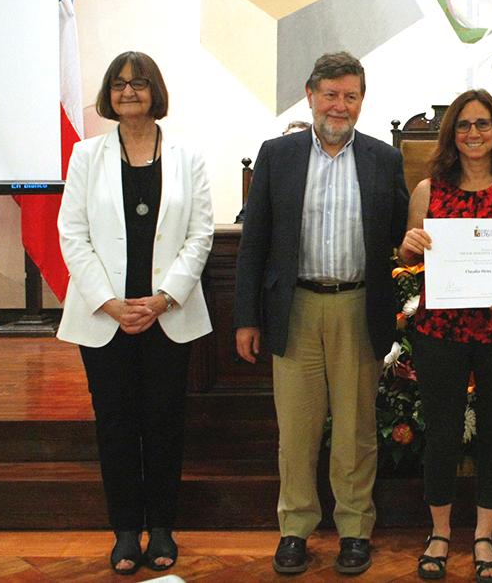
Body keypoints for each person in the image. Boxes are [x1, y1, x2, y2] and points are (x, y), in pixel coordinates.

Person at [234, 51, 409, 576]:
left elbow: (402, 241)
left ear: (361, 101)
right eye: (330, 94)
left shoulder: (384, 159)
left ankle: (355, 529)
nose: (340, 105)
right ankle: (295, 528)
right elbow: (255, 242)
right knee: (297, 429)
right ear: (310, 96)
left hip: (359, 306)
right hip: (296, 308)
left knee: (356, 429)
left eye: (350, 96)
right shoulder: (278, 155)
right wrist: (246, 316)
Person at [57, 51, 214, 575]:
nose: (129, 92)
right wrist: (109, 302)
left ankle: (164, 531)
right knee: (117, 426)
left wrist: (165, 296)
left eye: (139, 83)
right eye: (120, 84)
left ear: (155, 91)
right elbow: (72, 235)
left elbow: (200, 235)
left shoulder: (188, 157)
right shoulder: (86, 156)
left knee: (166, 424)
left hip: (167, 316)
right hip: (106, 318)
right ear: (109, 94)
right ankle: (126, 533)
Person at [399, 89, 492, 583]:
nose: (474, 133)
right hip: (441, 330)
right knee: (441, 432)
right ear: (451, 134)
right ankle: (439, 533)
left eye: (483, 124)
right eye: (464, 125)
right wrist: (408, 245)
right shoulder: (428, 191)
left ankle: (484, 535)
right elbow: (409, 260)